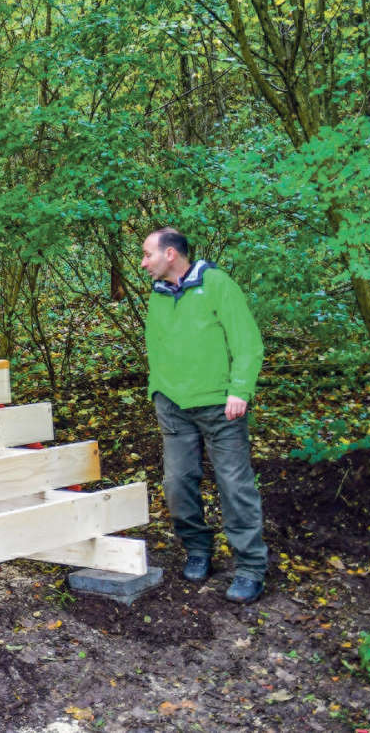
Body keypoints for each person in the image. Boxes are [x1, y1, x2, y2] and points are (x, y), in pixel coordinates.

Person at [141, 226, 268, 603]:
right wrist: (159, 389)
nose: (143, 263)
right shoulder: (159, 294)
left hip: (219, 406)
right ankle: (198, 549)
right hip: (173, 406)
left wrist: (239, 389)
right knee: (177, 484)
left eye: (148, 254)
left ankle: (250, 568)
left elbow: (247, 341)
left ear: (170, 255)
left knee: (235, 486)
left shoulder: (217, 284)